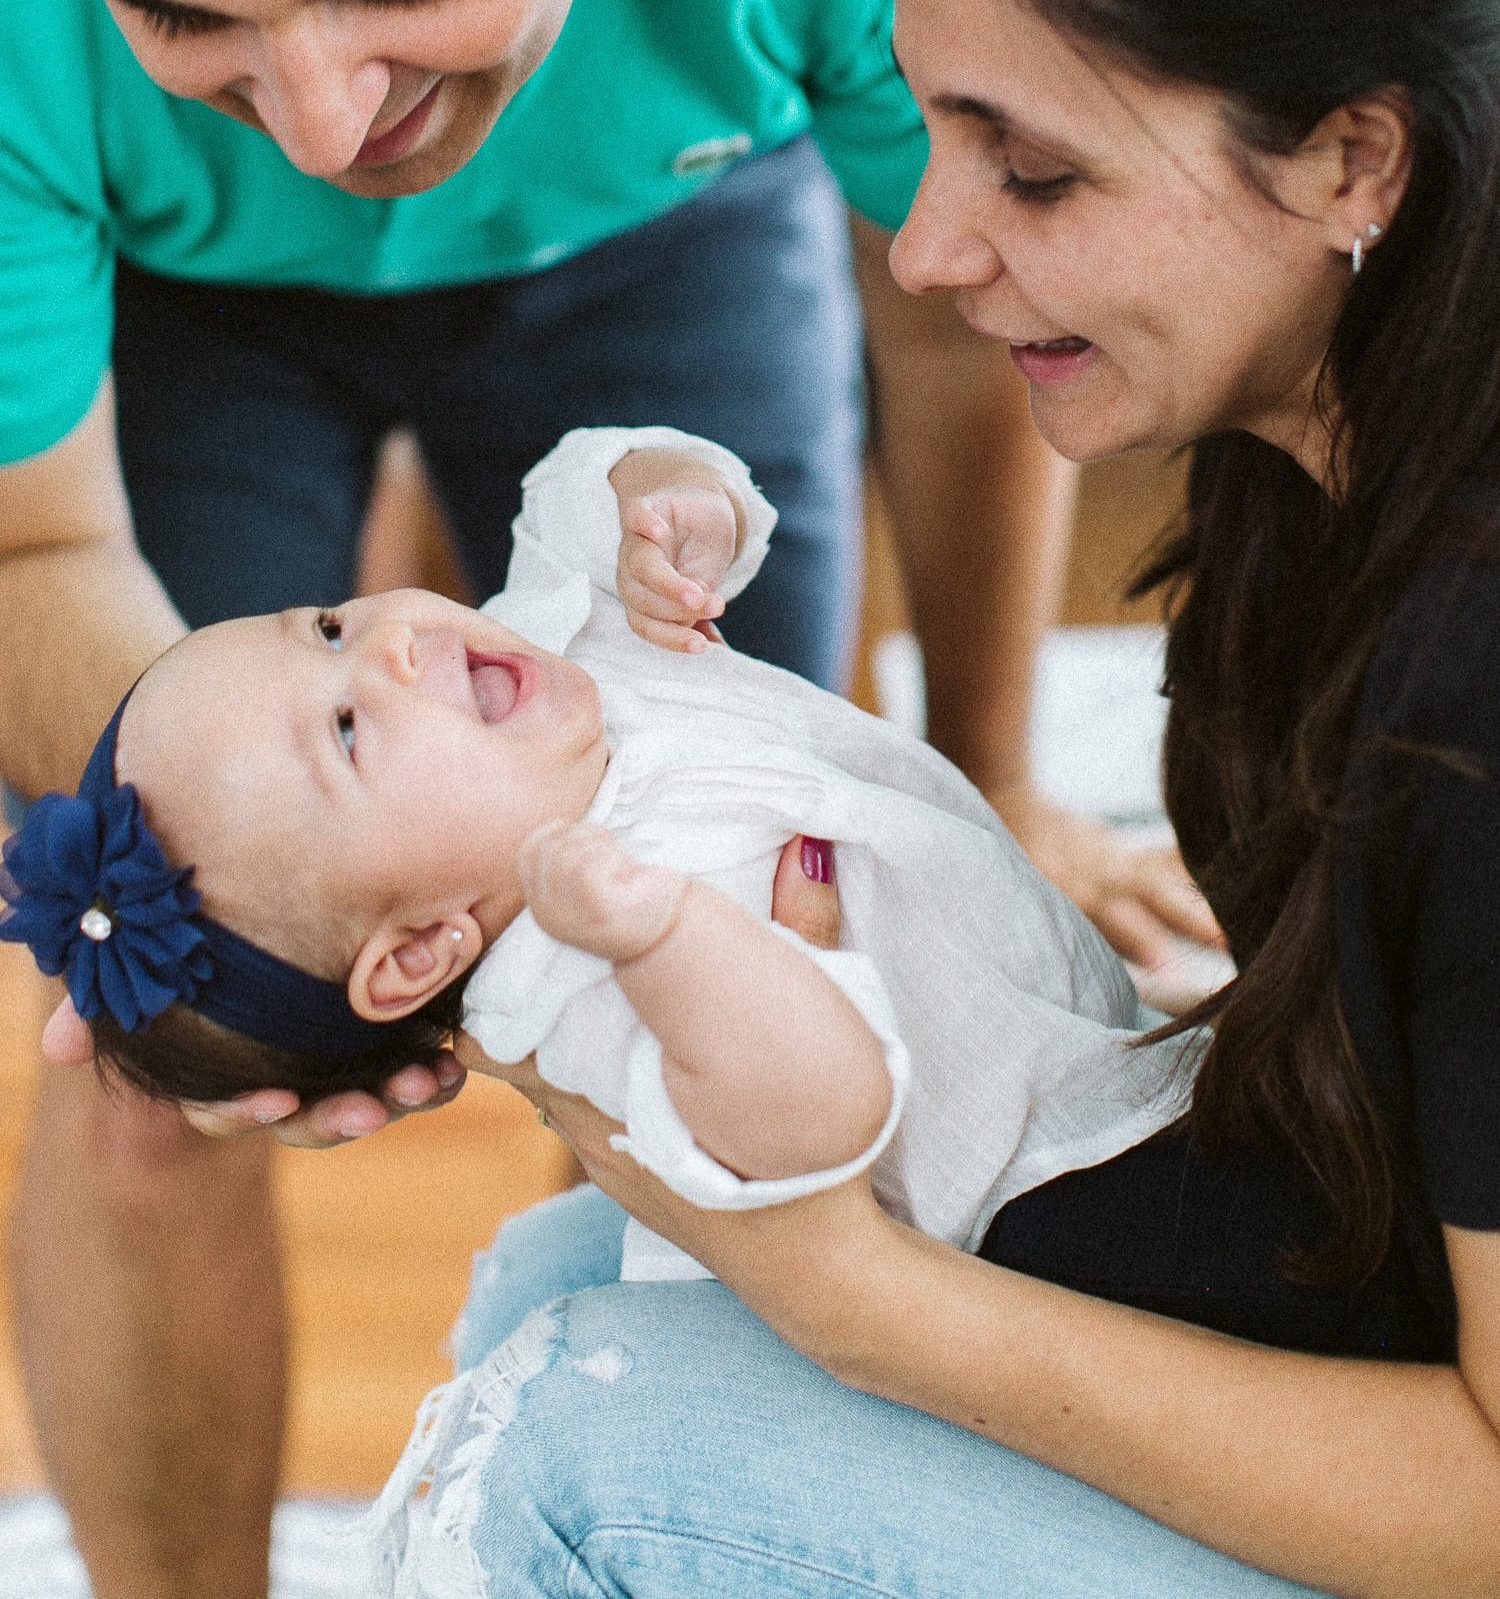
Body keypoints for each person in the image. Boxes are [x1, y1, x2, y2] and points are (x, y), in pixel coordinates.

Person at [0, 0, 1221, 1593]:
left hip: (670, 191)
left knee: (764, 911)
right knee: (137, 1064)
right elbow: (36, 528)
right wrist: (257, 910)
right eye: (178, 12)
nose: (322, 124)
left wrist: (991, 761)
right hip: (159, 300)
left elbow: (965, 346)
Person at [377, 0, 1500, 1599]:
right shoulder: (1307, 464)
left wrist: (870, 1304)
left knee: (586, 1443)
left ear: (1354, 160)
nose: (923, 252)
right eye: (926, 128)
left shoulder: (1479, 680)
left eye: (1034, 171)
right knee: (563, 1267)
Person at [1, 426, 1196, 1286]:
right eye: (351, 731)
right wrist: (665, 939)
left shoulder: (552, 654)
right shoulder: (579, 989)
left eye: (323, 626)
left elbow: (570, 495)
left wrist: (665, 497)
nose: (391, 647)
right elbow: (821, 1124)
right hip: (1053, 1202)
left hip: (1112, 1031)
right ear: (421, 948)